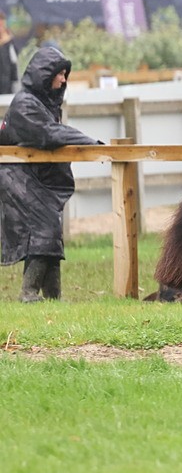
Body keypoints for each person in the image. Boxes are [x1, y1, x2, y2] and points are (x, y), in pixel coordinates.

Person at [0, 45, 102, 301]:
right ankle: (28, 293)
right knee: (45, 229)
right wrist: (88, 141)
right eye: (59, 73)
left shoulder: (44, 104)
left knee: (50, 232)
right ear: (44, 74)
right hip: (16, 178)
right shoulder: (25, 104)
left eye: (65, 74)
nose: (64, 79)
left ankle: (53, 297)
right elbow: (47, 134)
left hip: (31, 179)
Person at [0, 10, 19, 95]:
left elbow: (14, 62)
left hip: (6, 86)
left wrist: (14, 83)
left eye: (2, 25)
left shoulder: (9, 43)